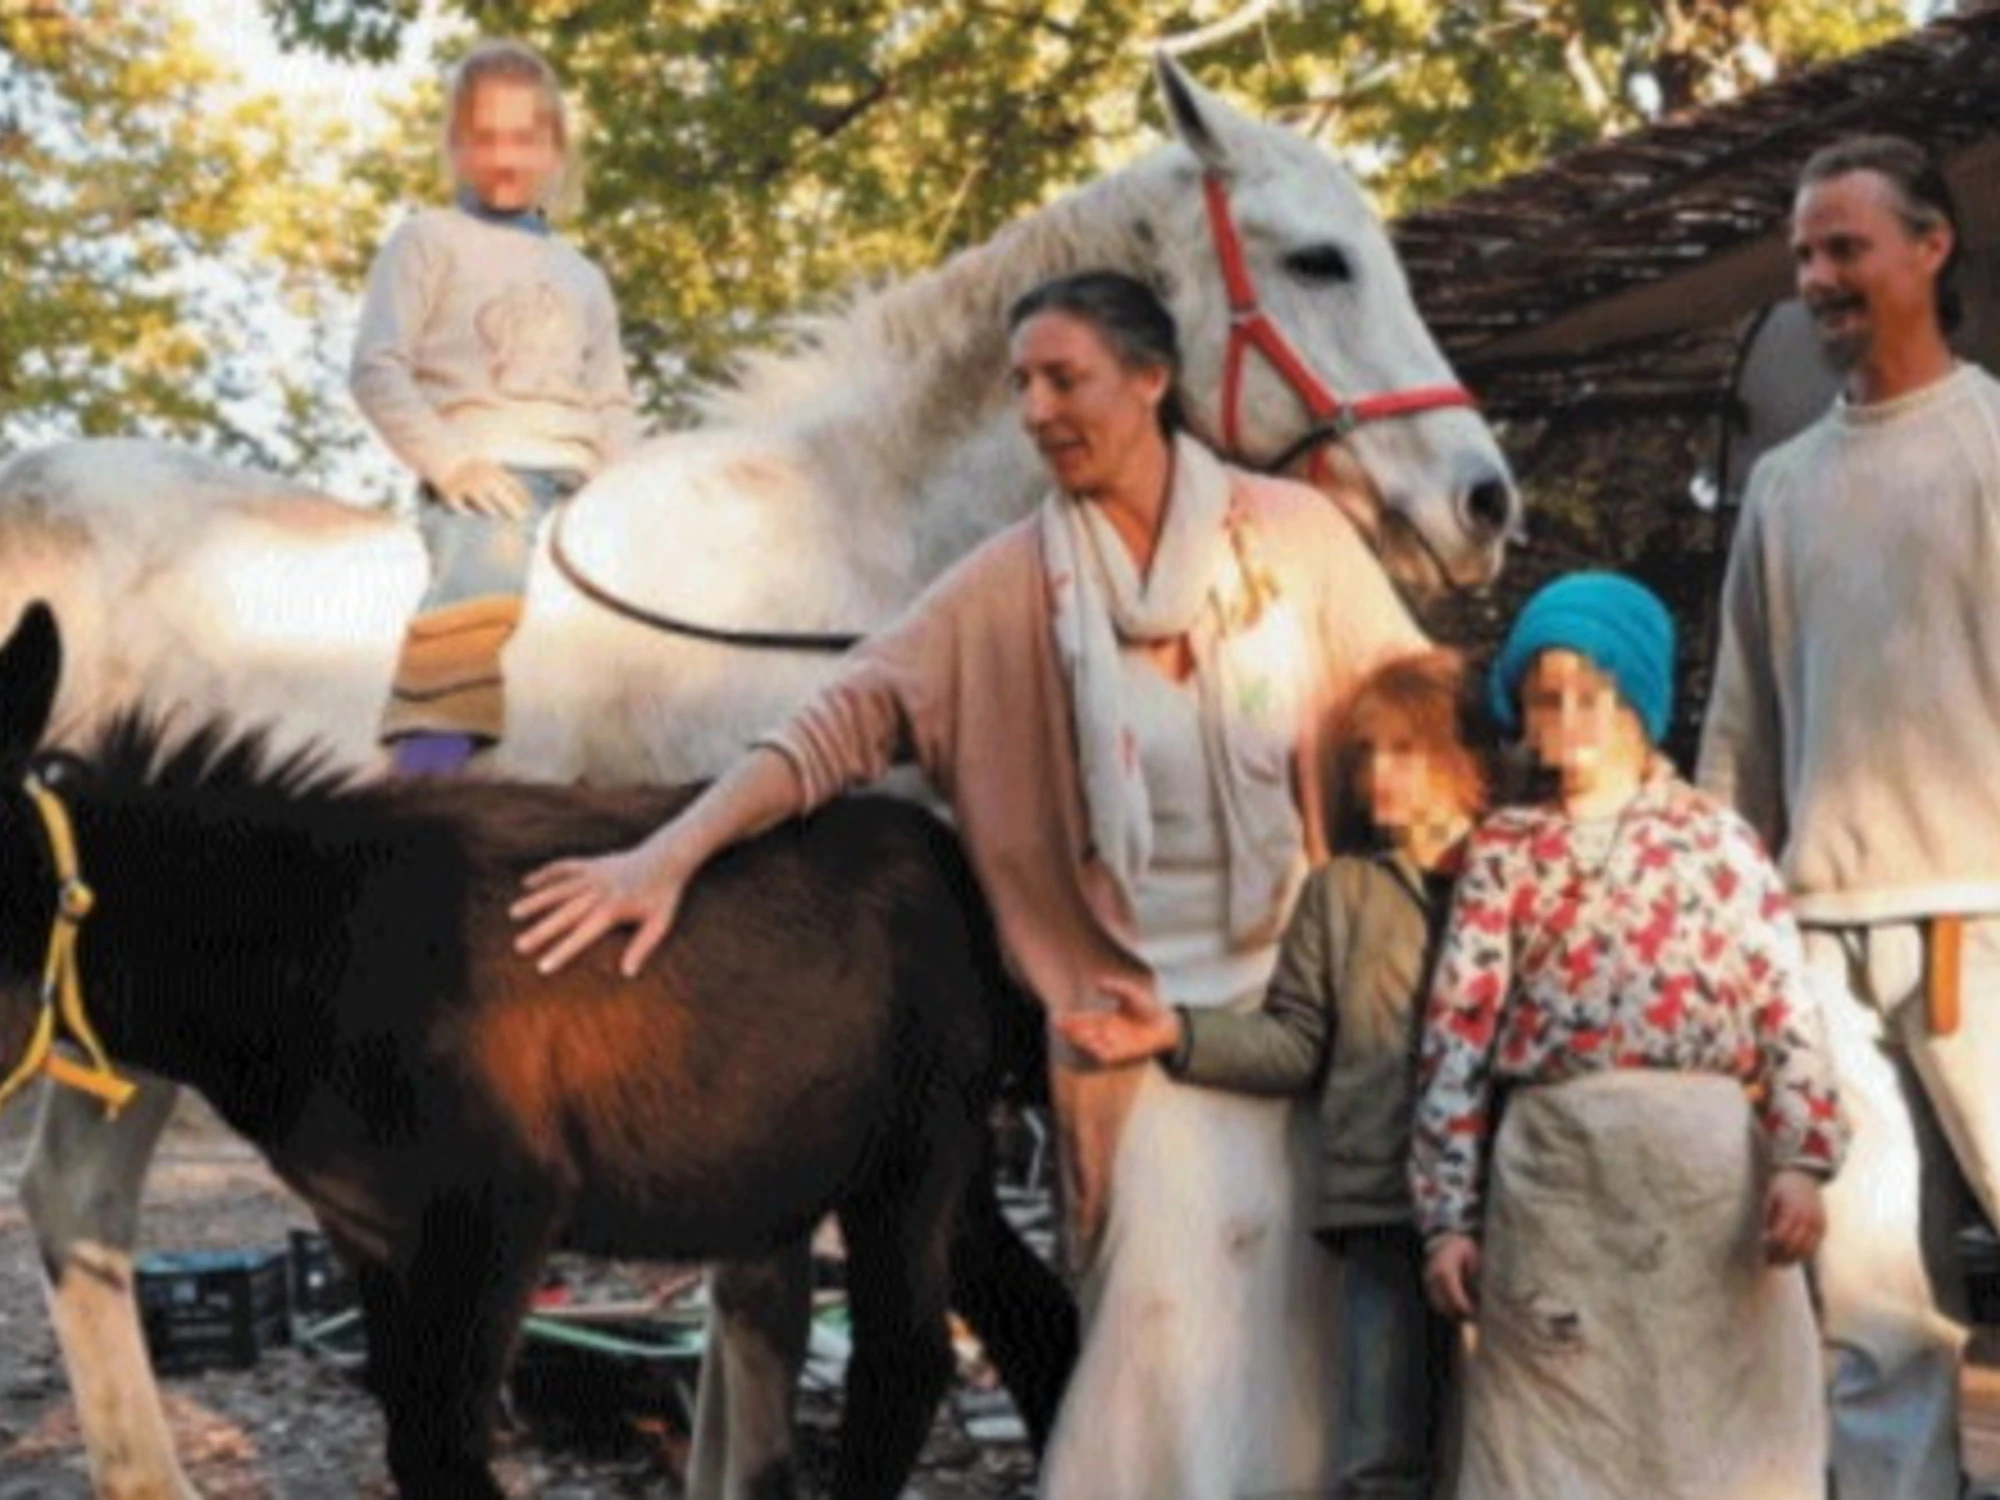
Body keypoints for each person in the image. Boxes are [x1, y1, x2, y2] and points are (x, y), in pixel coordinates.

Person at [511, 269, 1426, 1497]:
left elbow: (1415, 710)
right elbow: (835, 723)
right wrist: (663, 855)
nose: (1038, 409)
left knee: (1314, 1332)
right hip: (1131, 1024)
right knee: (1166, 1328)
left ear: (1150, 380)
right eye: (1020, 387)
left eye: (1065, 378)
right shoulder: (1008, 587)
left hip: (1304, 1006)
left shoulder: (1295, 540)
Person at [1698, 133, 2000, 1500]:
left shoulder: (1990, 441)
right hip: (1818, 938)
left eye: (1844, 247)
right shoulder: (1783, 485)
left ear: (1931, 247)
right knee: (1874, 1311)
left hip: (1984, 917)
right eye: (1803, 253)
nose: (1815, 277)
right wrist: (1723, 921)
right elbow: (1742, 730)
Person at [1414, 571, 1847, 1499]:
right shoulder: (1507, 851)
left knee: (1717, 1432)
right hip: (1557, 1189)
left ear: (1638, 700)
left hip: (1706, 1199)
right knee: (1555, 1434)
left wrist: (1802, 1161)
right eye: (1542, 698)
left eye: (1589, 695)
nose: (1565, 717)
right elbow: (1457, 1033)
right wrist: (1446, 1218)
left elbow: (1785, 1005)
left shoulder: (1716, 841)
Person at [1058, 646, 1485, 1500]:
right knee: (1378, 1455)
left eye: (1405, 751)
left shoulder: (1516, 878)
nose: (1379, 776)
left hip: (1515, 1208)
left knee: (1505, 1447)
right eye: (1367, 755)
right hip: (1383, 1210)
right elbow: (1295, 1043)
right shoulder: (1341, 896)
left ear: (1464, 762)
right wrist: (1176, 1033)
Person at [351, 38, 642, 776]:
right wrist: (450, 464)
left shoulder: (583, 275)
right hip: (490, 475)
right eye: (484, 138)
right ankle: (427, 765)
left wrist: (630, 488)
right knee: (487, 568)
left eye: (524, 138)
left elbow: (609, 398)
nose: (505, 158)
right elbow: (377, 367)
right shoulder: (427, 242)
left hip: (587, 484)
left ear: (555, 149)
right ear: (453, 146)